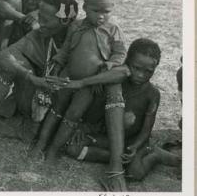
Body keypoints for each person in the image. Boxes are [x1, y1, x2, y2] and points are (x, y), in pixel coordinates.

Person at [61, 39, 180, 188]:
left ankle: (155, 155)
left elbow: (146, 129)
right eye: (136, 68)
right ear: (126, 62)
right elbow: (93, 109)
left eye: (148, 71)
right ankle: (117, 158)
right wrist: (82, 127)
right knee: (72, 149)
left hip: (133, 142)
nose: (141, 75)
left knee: (134, 174)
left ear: (155, 68)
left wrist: (136, 146)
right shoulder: (114, 84)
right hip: (108, 139)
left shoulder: (152, 94)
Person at [30, 0, 126, 164]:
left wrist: (110, 64)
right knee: (56, 108)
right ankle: (40, 145)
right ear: (85, 7)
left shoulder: (114, 31)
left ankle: (53, 150)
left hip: (89, 85)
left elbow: (120, 53)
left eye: (106, 12)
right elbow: (66, 50)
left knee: (72, 115)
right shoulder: (76, 27)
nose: (101, 16)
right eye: (95, 10)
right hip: (67, 77)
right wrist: (57, 64)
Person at [0, 0, 79, 140]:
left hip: (64, 109)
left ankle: (33, 130)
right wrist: (31, 78)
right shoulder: (40, 35)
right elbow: (4, 56)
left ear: (65, 21)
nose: (40, 23)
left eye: (46, 19)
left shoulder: (81, 41)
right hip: (40, 98)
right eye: (39, 17)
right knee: (10, 67)